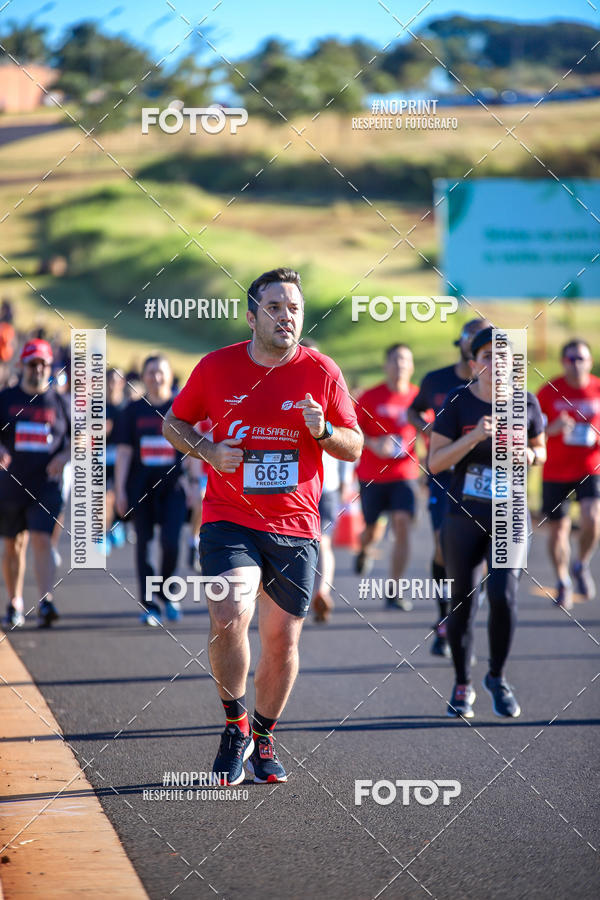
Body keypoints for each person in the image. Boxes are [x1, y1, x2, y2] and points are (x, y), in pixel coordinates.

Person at [162, 267, 362, 785]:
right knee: (229, 611)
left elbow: (356, 445)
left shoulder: (322, 370)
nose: (286, 316)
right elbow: (174, 424)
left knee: (281, 641)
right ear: (252, 316)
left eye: (294, 307)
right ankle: (235, 726)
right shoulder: (216, 367)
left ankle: (265, 733)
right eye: (274, 307)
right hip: (229, 517)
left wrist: (323, 433)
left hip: (294, 525)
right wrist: (208, 449)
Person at [428, 327, 546, 718]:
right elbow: (436, 462)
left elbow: (539, 448)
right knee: (463, 600)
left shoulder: (526, 402)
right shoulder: (458, 402)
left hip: (510, 513)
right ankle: (462, 683)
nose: (496, 365)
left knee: (502, 594)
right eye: (487, 358)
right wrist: (473, 438)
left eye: (504, 359)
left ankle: (496, 676)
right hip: (464, 513)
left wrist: (528, 456)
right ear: (475, 363)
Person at [408, 318, 490, 654]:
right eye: (474, 341)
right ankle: (445, 616)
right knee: (443, 546)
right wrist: (432, 432)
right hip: (444, 477)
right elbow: (413, 411)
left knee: (480, 554)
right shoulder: (437, 380)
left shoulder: (501, 388)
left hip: (485, 481)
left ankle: (466, 608)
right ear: (463, 345)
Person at [0, 339, 70, 628]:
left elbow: (81, 439)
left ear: (50, 366)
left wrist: (64, 456)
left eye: (43, 363)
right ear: (22, 366)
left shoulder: (61, 402)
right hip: (10, 484)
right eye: (33, 363)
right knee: (13, 545)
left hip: (46, 485)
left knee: (42, 540)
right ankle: (15, 602)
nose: (38, 368)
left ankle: (45, 601)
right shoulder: (5, 398)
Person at [114, 355, 188, 626]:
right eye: (151, 372)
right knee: (143, 546)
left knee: (171, 542)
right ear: (143, 377)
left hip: (173, 489)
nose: (156, 378)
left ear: (170, 376)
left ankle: (167, 592)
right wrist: (120, 490)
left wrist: (193, 484)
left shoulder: (181, 409)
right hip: (140, 488)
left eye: (161, 373)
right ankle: (149, 605)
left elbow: (192, 450)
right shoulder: (132, 411)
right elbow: (123, 452)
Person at [354, 344, 419, 610]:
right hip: (372, 475)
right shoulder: (370, 397)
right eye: (396, 360)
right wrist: (372, 443)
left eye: (406, 360)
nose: (401, 365)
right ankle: (364, 549)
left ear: (412, 366)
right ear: (386, 365)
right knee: (372, 530)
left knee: (402, 525)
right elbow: (352, 432)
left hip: (405, 474)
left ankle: (393, 589)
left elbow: (429, 430)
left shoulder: (418, 397)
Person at [537, 339, 600, 610]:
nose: (576, 364)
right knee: (558, 529)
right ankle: (562, 580)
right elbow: (531, 430)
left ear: (590, 361)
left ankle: (581, 563)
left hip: (590, 467)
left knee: (592, 517)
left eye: (581, 358)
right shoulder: (549, 390)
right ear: (563, 362)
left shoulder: (598, 388)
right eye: (570, 359)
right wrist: (552, 427)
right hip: (556, 470)